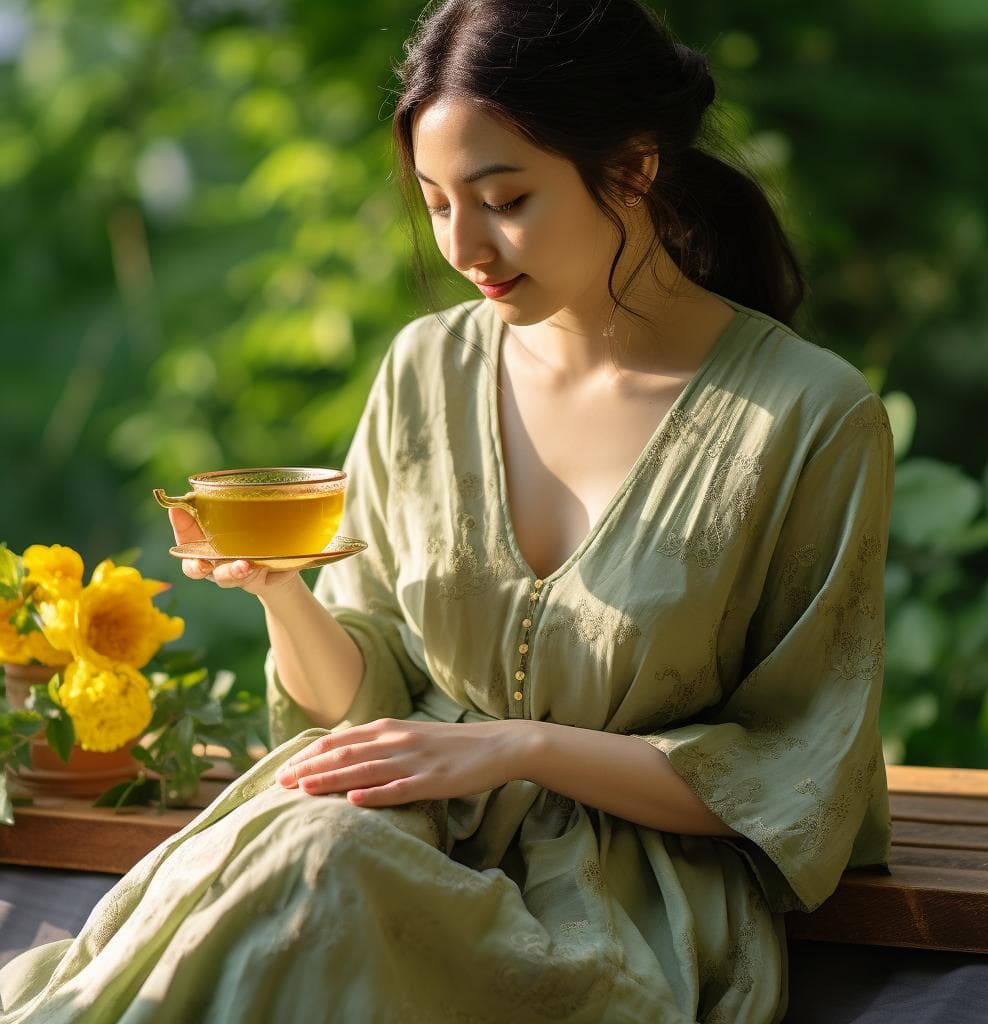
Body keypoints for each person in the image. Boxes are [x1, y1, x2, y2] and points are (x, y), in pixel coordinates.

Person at [0, 1, 894, 1021]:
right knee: (308, 857)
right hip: (384, 829)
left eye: (503, 197)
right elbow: (360, 693)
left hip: (622, 902)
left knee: (323, 869)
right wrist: (282, 595)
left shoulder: (811, 417)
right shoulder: (426, 368)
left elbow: (796, 771)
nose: (465, 243)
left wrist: (518, 745)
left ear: (635, 170)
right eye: (434, 203)